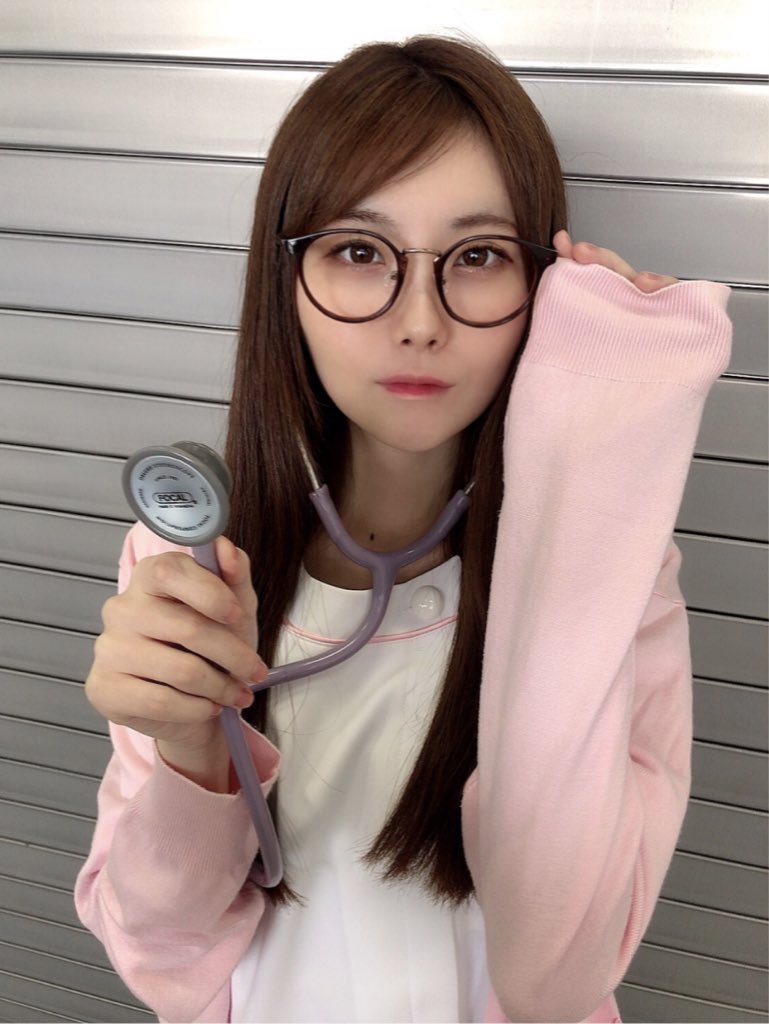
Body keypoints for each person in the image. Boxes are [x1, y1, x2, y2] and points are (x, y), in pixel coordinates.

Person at [75, 35, 732, 1024]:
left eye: (477, 257)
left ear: (542, 286)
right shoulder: (183, 567)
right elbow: (156, 953)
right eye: (356, 251)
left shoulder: (614, 578)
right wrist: (187, 752)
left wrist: (597, 456)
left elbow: (556, 978)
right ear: (286, 280)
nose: (419, 319)